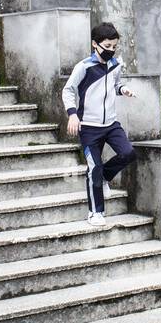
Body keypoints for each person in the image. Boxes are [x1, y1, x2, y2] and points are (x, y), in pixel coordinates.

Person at [62, 23, 137, 226]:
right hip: (88, 127)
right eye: (107, 46)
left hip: (111, 124)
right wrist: (72, 114)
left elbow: (115, 84)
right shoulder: (84, 67)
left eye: (114, 46)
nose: (111, 50)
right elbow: (68, 90)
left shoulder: (115, 64)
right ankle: (96, 212)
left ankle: (104, 176)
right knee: (93, 167)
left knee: (129, 153)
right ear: (95, 44)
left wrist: (123, 90)